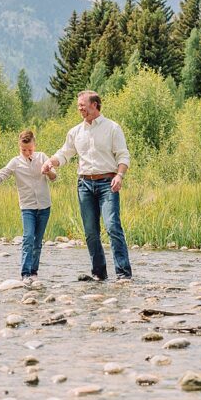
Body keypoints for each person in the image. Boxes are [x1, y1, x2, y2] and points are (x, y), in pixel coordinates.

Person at [42, 90, 132, 281]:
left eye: (82, 105)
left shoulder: (112, 128)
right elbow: (65, 153)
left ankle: (124, 274)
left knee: (112, 226)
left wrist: (120, 175)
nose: (80, 108)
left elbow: (123, 155)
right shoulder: (76, 132)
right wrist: (51, 162)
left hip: (108, 183)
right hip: (84, 185)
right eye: (78, 105)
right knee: (91, 232)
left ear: (95, 105)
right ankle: (99, 274)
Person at [0, 130, 57, 282]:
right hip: (27, 207)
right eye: (23, 150)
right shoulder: (15, 162)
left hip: (44, 206)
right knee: (28, 238)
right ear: (19, 147)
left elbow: (54, 177)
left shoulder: (43, 157)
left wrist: (48, 171)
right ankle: (25, 274)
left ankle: (34, 272)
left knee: (38, 241)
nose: (27, 152)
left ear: (34, 145)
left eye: (30, 149)